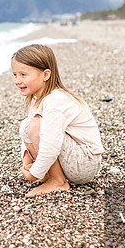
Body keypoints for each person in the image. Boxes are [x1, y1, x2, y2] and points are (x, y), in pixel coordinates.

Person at [11, 44, 104, 197]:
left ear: (45, 75)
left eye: (23, 75)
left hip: (84, 163)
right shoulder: (38, 99)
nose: (17, 81)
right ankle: (50, 175)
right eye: (15, 74)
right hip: (73, 160)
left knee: (35, 126)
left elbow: (50, 144)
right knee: (27, 125)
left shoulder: (55, 101)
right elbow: (28, 135)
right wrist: (27, 160)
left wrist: (34, 173)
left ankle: (58, 181)